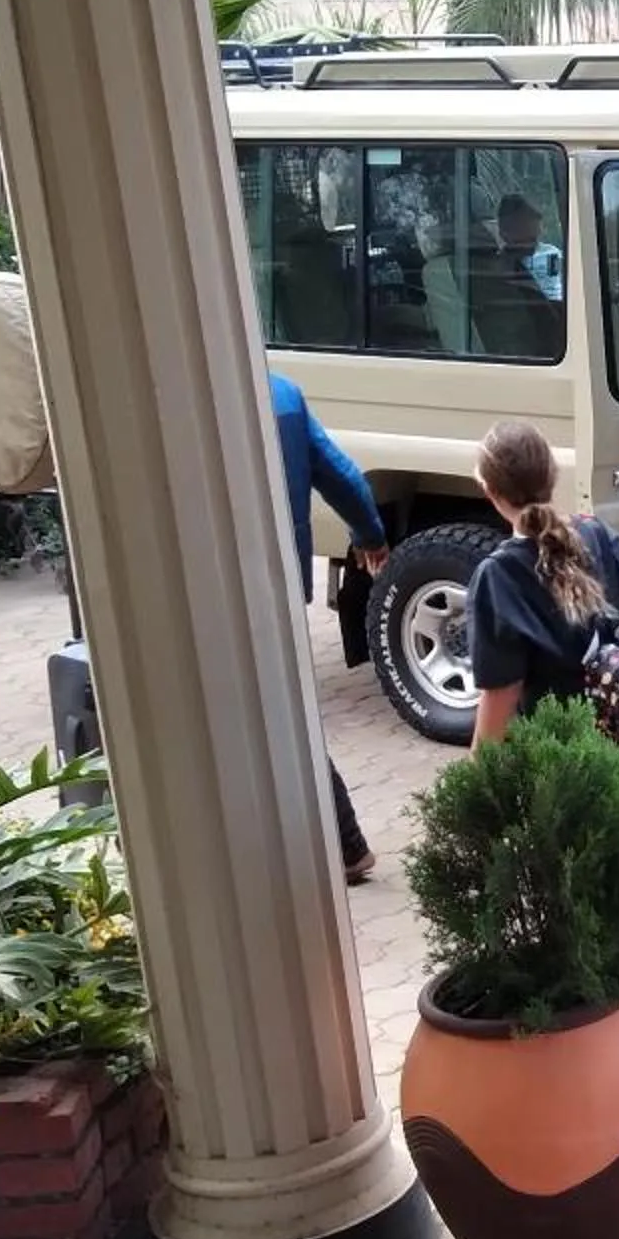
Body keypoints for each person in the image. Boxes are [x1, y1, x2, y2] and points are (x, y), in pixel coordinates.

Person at [268, 371, 388, 885]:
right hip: (281, 584)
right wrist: (370, 534)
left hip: (216, 596)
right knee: (285, 713)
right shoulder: (280, 393)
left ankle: (343, 845)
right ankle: (345, 845)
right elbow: (339, 473)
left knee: (279, 720)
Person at [465, 422, 619, 748]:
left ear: (490, 491)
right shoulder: (600, 534)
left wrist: (479, 781)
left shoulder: (498, 575)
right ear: (552, 475)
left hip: (557, 757)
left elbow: (500, 695)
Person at [493, 194, 565, 302]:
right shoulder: (496, 269)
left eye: (536, 238)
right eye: (528, 239)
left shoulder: (552, 255)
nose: (534, 246)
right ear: (504, 233)